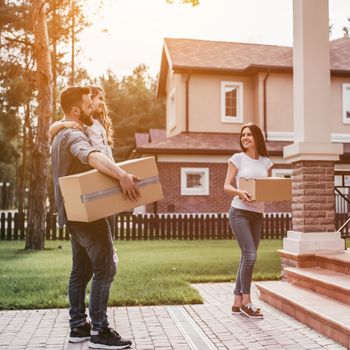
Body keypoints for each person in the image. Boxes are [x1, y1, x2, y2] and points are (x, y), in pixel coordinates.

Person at [51, 86, 139, 349]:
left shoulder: (59, 135)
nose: (93, 109)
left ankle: (78, 327)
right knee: (105, 268)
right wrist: (122, 175)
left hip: (71, 213)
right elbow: (91, 156)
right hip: (87, 215)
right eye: (89, 106)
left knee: (81, 270)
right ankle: (100, 331)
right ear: (76, 109)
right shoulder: (73, 135)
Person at [49, 85, 116, 236]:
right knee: (102, 235)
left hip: (107, 167)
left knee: (108, 226)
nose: (102, 103)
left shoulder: (98, 124)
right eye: (99, 99)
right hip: (98, 168)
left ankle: (110, 248)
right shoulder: (79, 125)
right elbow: (52, 129)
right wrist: (63, 124)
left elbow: (106, 150)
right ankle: (108, 252)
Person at [224, 123, 273, 319]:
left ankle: (236, 302)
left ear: (257, 138)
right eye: (243, 135)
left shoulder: (266, 162)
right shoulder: (237, 159)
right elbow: (226, 186)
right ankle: (246, 301)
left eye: (249, 135)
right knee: (250, 255)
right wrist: (240, 192)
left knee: (247, 256)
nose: (245, 138)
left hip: (257, 214)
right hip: (239, 212)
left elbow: (266, 188)